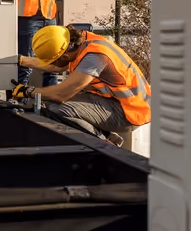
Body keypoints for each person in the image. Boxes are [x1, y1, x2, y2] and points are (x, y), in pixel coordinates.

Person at [12, 25, 151, 146]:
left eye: (53, 60)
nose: (51, 64)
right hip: (116, 101)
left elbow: (60, 95)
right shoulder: (79, 42)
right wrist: (21, 60)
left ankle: (106, 146)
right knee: (51, 107)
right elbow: (57, 66)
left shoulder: (94, 57)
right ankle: (107, 136)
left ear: (65, 56)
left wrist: (29, 91)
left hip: (130, 111)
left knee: (60, 111)